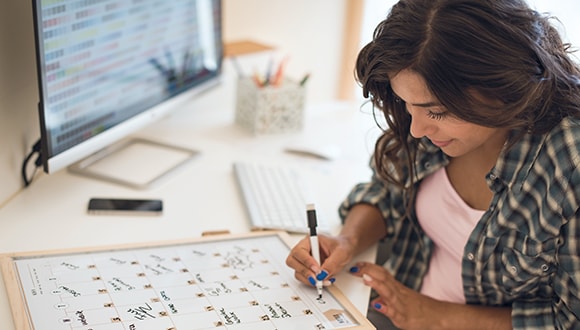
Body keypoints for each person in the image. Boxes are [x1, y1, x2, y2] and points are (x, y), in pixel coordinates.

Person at [286, 0, 580, 329]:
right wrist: (348, 241)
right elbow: (387, 191)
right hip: (394, 303)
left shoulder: (570, 163)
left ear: (500, 87)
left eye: (436, 112)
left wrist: (435, 316)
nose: (417, 130)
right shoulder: (430, 122)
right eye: (407, 105)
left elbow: (570, 319)